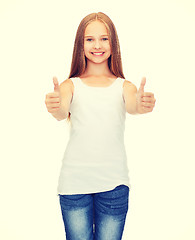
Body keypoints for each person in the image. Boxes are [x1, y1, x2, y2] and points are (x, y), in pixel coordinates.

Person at [45, 12, 156, 240]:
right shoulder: (70, 86)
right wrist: (55, 105)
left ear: (113, 44)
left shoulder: (124, 86)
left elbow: (134, 104)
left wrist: (142, 104)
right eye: (90, 39)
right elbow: (60, 111)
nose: (97, 45)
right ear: (80, 44)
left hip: (114, 186)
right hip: (74, 186)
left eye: (104, 39)